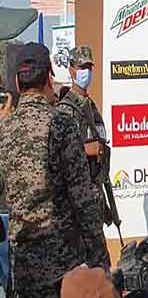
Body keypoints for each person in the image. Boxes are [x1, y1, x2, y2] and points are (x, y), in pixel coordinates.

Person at [0, 43, 109, 298]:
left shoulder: (4, 131)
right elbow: (83, 198)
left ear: (17, 83)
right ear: (50, 78)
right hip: (64, 267)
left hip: (24, 267)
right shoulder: (62, 125)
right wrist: (99, 259)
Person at [57, 47, 110, 227]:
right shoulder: (66, 108)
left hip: (95, 190)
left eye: (89, 67)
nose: (86, 72)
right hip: (77, 198)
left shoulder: (90, 105)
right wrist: (86, 149)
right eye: (81, 67)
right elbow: (58, 152)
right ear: (71, 70)